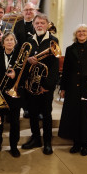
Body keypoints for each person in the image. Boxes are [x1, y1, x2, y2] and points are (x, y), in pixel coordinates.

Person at [58, 24, 87, 156]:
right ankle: (76, 143)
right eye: (79, 31)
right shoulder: (70, 49)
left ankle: (86, 144)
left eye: (84, 31)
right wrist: (63, 88)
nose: (81, 33)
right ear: (76, 34)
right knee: (74, 115)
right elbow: (66, 71)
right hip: (72, 88)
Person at [21, 13, 59, 155]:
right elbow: (23, 64)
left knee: (47, 115)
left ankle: (47, 142)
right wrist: (28, 62)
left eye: (42, 23)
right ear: (34, 25)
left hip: (45, 87)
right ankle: (35, 138)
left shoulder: (53, 41)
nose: (39, 25)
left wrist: (47, 86)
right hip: (31, 86)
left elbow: (54, 68)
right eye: (37, 23)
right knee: (33, 114)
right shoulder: (30, 41)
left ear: (47, 24)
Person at [0, 32, 23, 157]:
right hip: (0, 94)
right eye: (7, 40)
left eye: (12, 39)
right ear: (3, 43)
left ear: (15, 42)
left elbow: (25, 75)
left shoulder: (20, 57)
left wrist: (15, 75)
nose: (9, 42)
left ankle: (14, 147)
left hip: (14, 95)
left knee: (15, 122)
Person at [13, 2, 37, 118]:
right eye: (26, 10)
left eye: (31, 10)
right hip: (20, 60)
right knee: (21, 85)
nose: (28, 12)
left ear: (35, 11)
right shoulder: (17, 25)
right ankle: (23, 107)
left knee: (32, 85)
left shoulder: (38, 24)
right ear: (23, 12)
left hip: (34, 61)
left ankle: (31, 109)